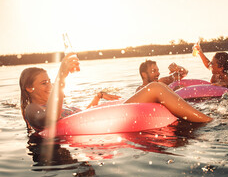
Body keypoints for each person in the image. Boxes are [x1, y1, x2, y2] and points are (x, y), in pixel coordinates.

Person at [20, 53, 212, 132]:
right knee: (155, 88)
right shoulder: (32, 109)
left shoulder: (52, 102)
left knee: (156, 90)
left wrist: (97, 98)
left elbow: (81, 114)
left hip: (100, 115)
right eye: (44, 83)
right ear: (30, 88)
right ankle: (207, 122)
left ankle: (199, 119)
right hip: (95, 125)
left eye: (50, 81)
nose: (50, 86)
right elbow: (50, 119)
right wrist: (62, 77)